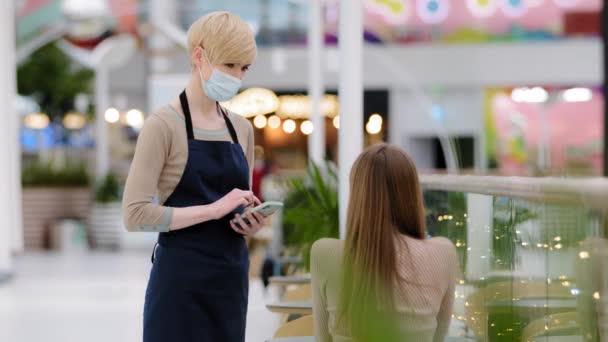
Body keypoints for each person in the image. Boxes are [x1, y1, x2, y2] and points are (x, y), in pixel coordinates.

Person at [122, 11, 268, 342]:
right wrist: (214, 209)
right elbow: (135, 215)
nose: (237, 76)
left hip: (230, 281)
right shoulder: (163, 126)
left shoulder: (241, 129)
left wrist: (250, 221)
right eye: (229, 65)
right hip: (180, 285)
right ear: (198, 56)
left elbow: (237, 204)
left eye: (244, 68)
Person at [311, 143, 457, 342]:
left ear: (358, 194)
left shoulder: (324, 252)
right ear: (413, 192)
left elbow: (323, 338)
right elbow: (438, 337)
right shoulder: (444, 252)